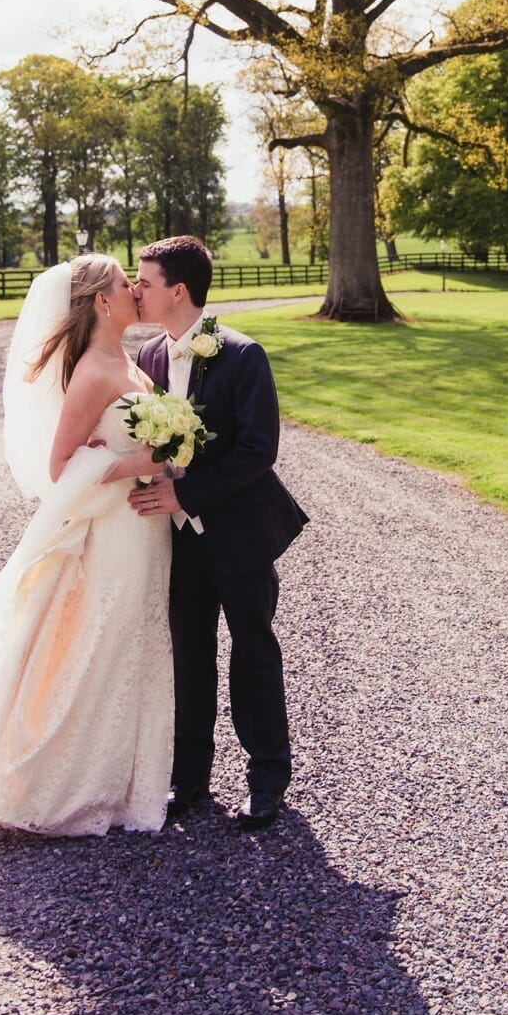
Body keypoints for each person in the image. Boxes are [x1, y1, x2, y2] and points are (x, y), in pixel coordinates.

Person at [0, 255, 173, 835]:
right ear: (102, 303)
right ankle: (63, 784)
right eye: (121, 283)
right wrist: (138, 462)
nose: (134, 288)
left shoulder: (126, 360)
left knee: (128, 643)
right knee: (97, 642)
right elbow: (62, 465)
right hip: (113, 529)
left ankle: (119, 779)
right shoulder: (92, 370)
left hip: (142, 528)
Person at [129, 235, 307, 831]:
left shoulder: (241, 354)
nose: (136, 290)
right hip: (178, 541)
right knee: (189, 655)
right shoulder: (150, 358)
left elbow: (260, 450)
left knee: (254, 653)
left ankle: (267, 779)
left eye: (145, 281)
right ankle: (191, 778)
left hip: (239, 535)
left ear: (178, 291)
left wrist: (185, 492)